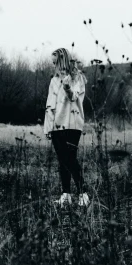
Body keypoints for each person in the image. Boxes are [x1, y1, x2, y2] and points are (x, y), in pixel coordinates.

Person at [44, 47, 90, 207]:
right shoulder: (53, 80)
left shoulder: (77, 78)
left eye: (55, 62)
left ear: (62, 61)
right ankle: (66, 195)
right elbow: (49, 105)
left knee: (70, 158)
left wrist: (67, 86)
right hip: (56, 126)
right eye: (52, 63)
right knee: (62, 160)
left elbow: (74, 97)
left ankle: (83, 194)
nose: (53, 65)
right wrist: (48, 127)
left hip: (72, 124)